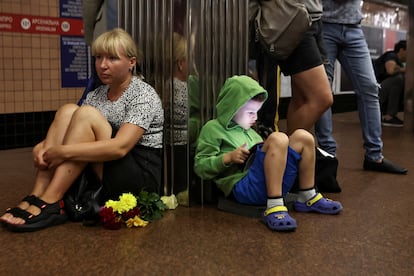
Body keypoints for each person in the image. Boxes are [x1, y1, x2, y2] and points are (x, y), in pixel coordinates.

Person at [0, 28, 164, 232]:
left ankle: (52, 200)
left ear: (132, 62)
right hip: (105, 166)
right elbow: (72, 129)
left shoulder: (143, 95)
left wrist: (60, 152)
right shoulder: (97, 94)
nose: (103, 65)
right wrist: (43, 148)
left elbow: (120, 148)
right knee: (69, 110)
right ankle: (38, 195)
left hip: (137, 171)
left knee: (86, 114)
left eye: (112, 58)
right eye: (98, 57)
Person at [194, 75, 342, 232]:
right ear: (232, 108)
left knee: (303, 137)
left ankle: (307, 195)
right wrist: (227, 158)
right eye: (250, 112)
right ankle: (274, 205)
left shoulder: (250, 132)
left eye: (257, 112)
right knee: (278, 138)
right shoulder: (213, 128)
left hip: (269, 182)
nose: (255, 117)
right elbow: (200, 167)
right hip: (244, 186)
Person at [314, 0, 407, 174]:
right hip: (325, 25)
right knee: (323, 90)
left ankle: (374, 156)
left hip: (354, 28)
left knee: (370, 88)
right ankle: (328, 156)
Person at [252, 0, 333, 136]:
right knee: (322, 98)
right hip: (292, 18)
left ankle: (290, 151)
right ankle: (287, 150)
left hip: (315, 18)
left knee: (301, 99)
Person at [374, 40, 407, 127]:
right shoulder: (391, 55)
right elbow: (391, 70)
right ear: (402, 50)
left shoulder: (399, 62)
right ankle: (388, 116)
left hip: (381, 89)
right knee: (398, 79)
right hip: (375, 90)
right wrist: (404, 69)